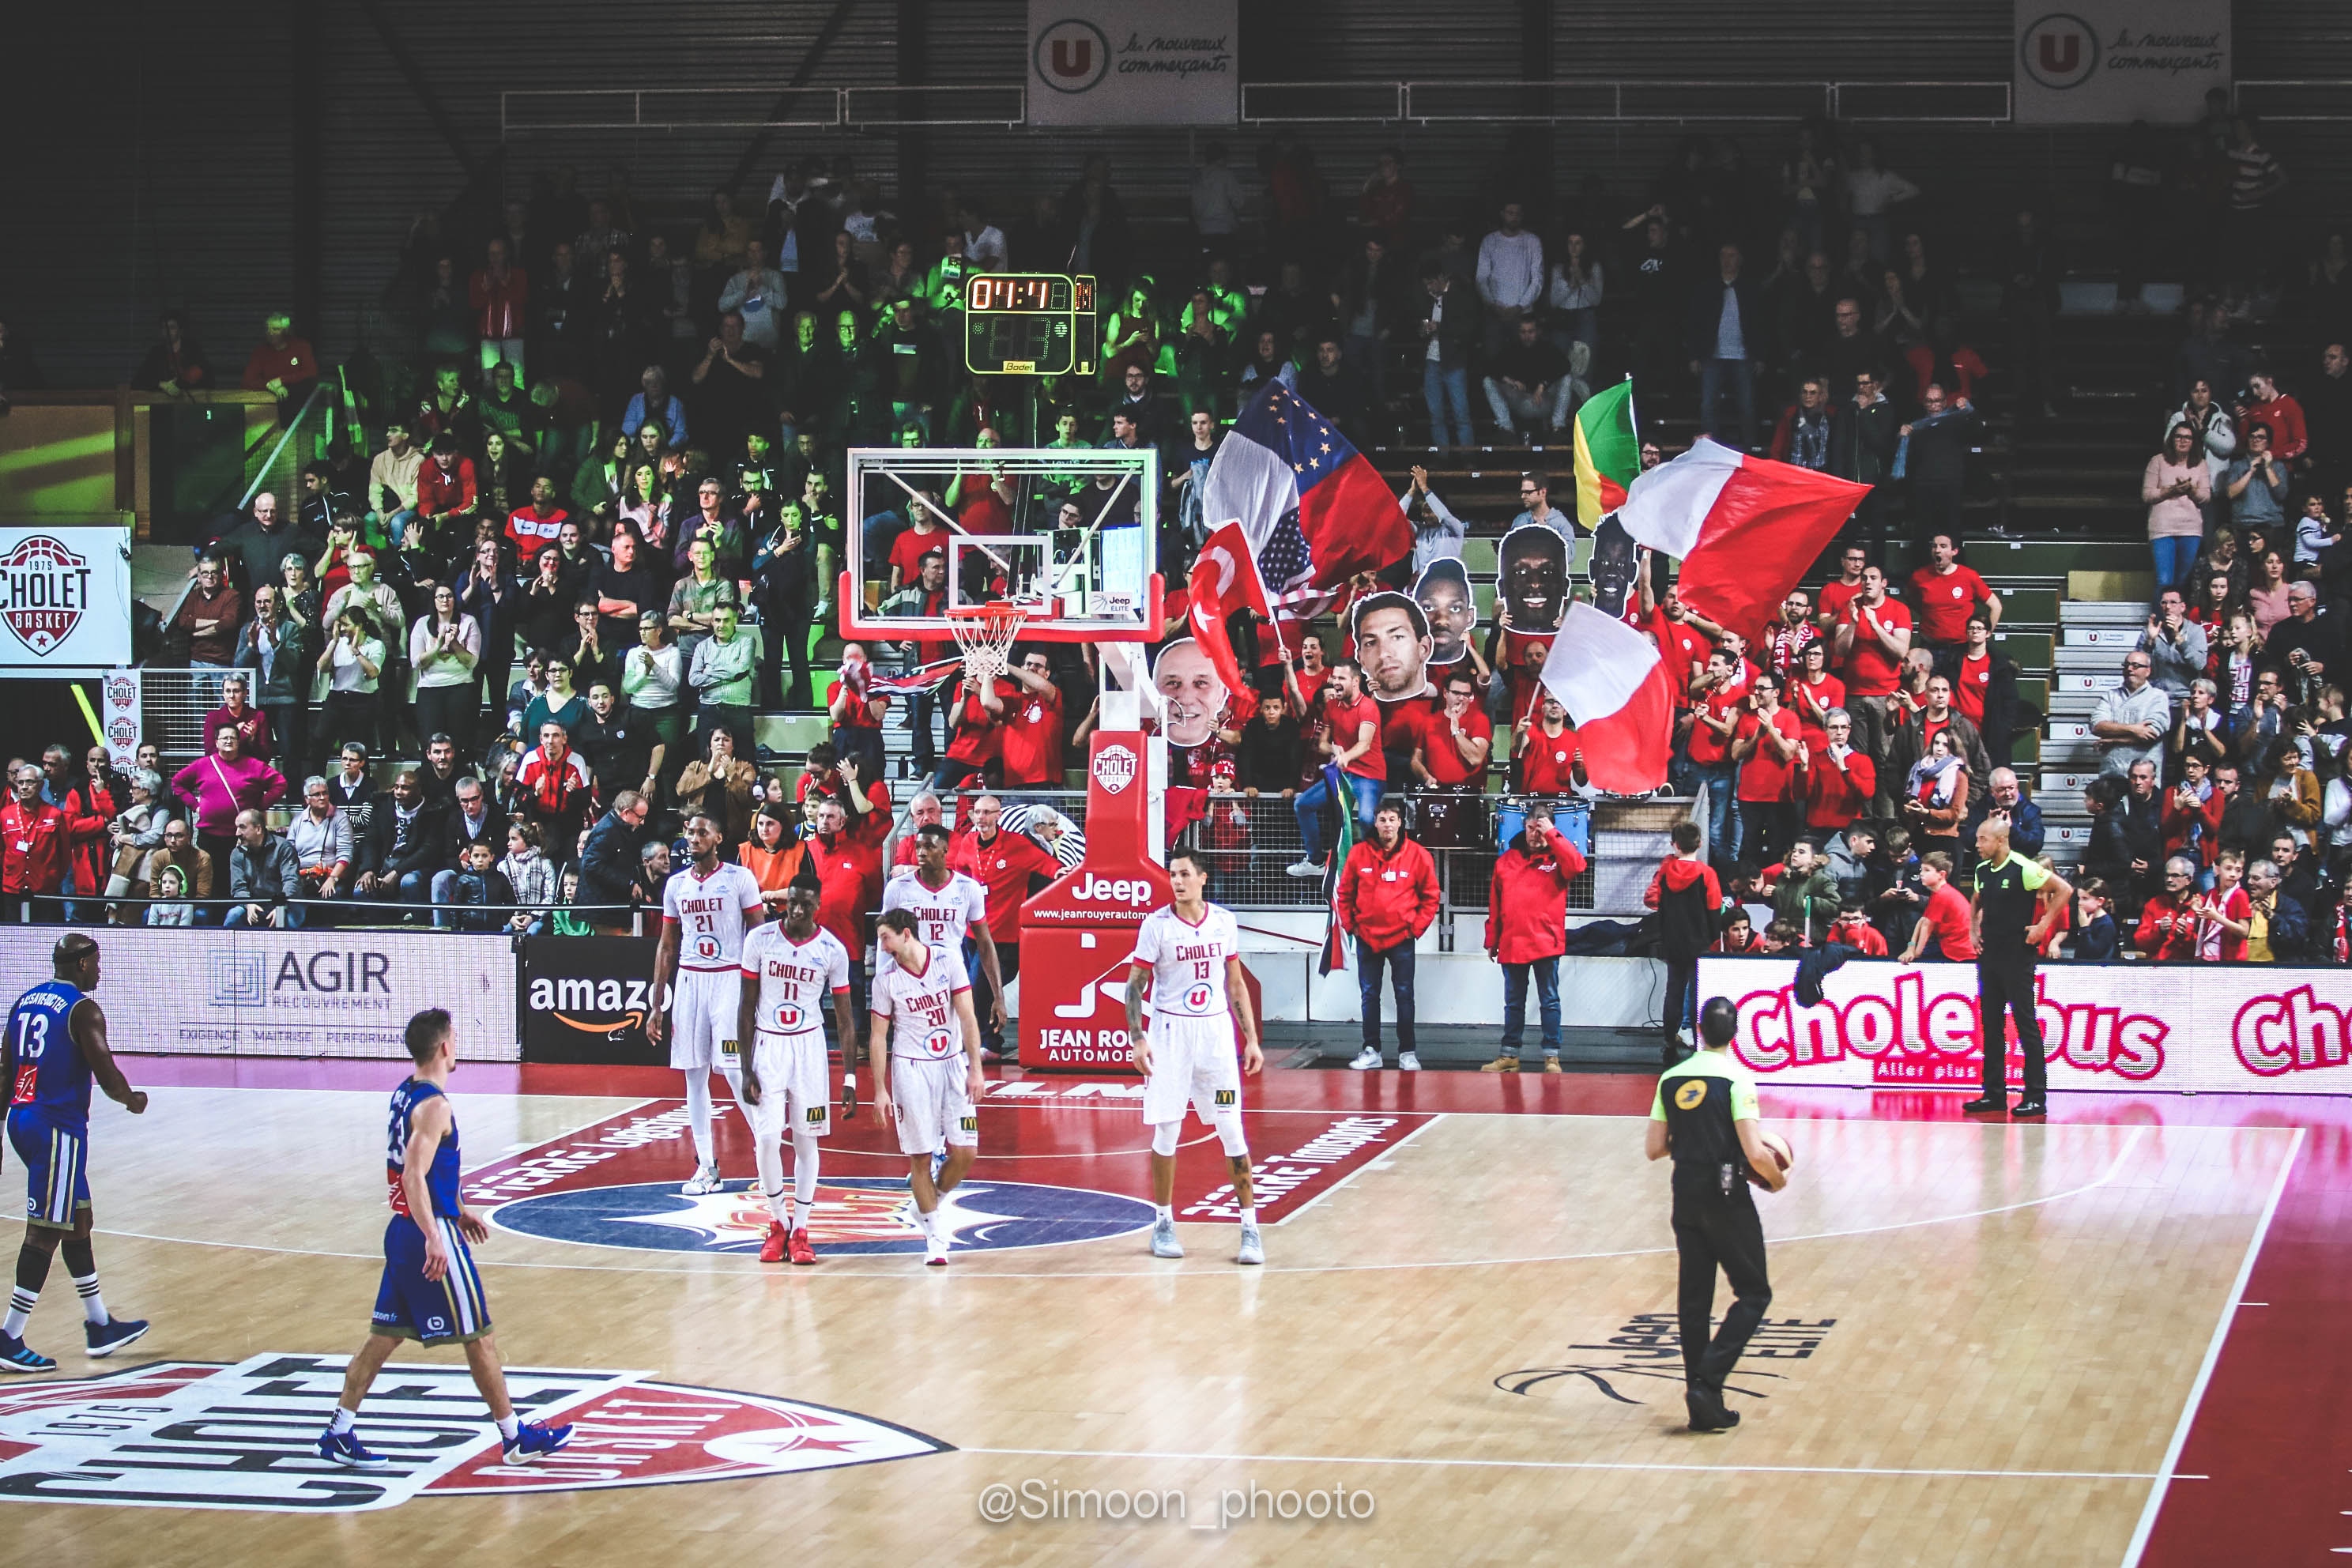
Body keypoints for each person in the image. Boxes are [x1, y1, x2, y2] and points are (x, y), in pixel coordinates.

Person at [313, 1008, 572, 1468]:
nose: (458, 1044)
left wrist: (459, 1208)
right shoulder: (435, 1105)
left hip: (403, 1230)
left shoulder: (405, 1093)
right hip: (426, 1233)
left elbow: (426, 1171)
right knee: (480, 1337)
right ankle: (514, 1437)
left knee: (383, 1337)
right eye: (455, 1037)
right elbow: (413, 1174)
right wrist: (436, 1233)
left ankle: (339, 1430)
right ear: (445, 1047)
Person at [0, 933, 149, 1371]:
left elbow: (6, 1068)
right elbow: (106, 1072)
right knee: (45, 1231)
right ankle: (9, 1335)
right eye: (97, 963)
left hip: (22, 1118)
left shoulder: (25, 1001)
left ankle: (100, 1324)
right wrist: (131, 1100)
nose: (100, 971)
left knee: (77, 1219)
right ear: (82, 964)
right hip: (56, 1128)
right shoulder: (82, 1009)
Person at [1645, 996, 1785, 1434]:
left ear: (1699, 1030)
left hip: (1683, 1188)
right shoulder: (1738, 1080)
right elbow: (1754, 1152)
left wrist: (1690, 1142)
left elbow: (1653, 1149)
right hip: (1725, 1192)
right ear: (1736, 1032)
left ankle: (1701, 1405)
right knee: (1754, 1292)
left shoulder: (1670, 1078)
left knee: (1694, 1301)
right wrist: (1777, 1180)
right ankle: (1708, 1383)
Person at [1126, 846, 1264, 1266]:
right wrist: (1137, 1037)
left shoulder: (1224, 922)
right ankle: (1164, 1222)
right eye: (1172, 874)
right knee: (1167, 1130)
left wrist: (1252, 1040)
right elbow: (1134, 986)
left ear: (1202, 878)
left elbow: (1236, 985)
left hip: (1215, 1036)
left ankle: (1250, 1228)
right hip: (1170, 1035)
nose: (1177, 881)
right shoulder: (1157, 926)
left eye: (1185, 874)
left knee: (1231, 1128)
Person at [645, 812, 767, 1197]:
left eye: (702, 832)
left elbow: (759, 935)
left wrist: (758, 990)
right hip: (690, 981)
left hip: (730, 977)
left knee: (734, 1073)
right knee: (693, 1074)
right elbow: (667, 944)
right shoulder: (676, 884)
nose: (693, 838)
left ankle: (767, 1154)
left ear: (718, 837)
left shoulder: (739, 878)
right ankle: (707, 1166)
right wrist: (657, 1000)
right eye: (690, 832)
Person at [734, 881, 854, 1266]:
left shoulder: (832, 950)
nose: (797, 911)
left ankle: (801, 1229)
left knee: (807, 1142)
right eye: (792, 903)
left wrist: (849, 1078)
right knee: (767, 1139)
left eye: (805, 905)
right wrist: (745, 1066)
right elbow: (745, 1007)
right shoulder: (760, 940)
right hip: (769, 1046)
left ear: (818, 905)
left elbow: (847, 1021)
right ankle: (777, 1221)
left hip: (809, 1049)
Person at [869, 910, 985, 1268]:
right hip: (911, 1068)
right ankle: (935, 1237)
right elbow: (877, 1036)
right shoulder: (885, 979)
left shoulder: (947, 961)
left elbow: (967, 1015)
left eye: (886, 937)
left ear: (906, 934)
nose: (882, 946)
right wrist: (879, 1089)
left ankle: (929, 1201)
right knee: (919, 1156)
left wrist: (975, 1069)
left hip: (951, 1063)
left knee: (967, 1151)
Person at [1958, 820, 2071, 1118]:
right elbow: (1978, 898)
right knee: (1991, 1026)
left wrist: (2043, 926)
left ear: (2001, 839)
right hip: (1990, 954)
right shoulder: (1982, 870)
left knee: (2025, 1025)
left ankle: (2035, 1095)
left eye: (1983, 840)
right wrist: (1972, 928)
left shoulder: (2023, 867)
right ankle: (1994, 1093)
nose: (1978, 846)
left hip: (2018, 956)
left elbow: (2064, 890)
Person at [1335, 801, 1440, 1072]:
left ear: (1401, 823)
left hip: (1402, 939)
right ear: (1375, 823)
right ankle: (1372, 1051)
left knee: (1405, 996)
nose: (1388, 825)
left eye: (1392, 819)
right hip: (1367, 938)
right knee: (1369, 995)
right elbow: (1344, 893)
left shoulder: (1418, 855)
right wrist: (1351, 926)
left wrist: (1414, 929)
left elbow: (1431, 897)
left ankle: (1408, 1052)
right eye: (1382, 820)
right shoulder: (1359, 854)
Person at [1484, 805, 1587, 1072]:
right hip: (1512, 943)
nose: (1534, 834)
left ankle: (1551, 1056)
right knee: (1513, 1003)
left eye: (1540, 829)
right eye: (1531, 828)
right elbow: (1495, 905)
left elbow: (1578, 865)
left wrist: (1553, 835)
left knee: (1549, 1001)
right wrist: (1491, 940)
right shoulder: (1505, 862)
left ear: (1551, 830)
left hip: (1546, 943)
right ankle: (1509, 1055)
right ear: (1524, 827)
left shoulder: (1559, 860)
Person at [1287, 658, 1383, 877]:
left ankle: (1376, 866)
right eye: (1334, 677)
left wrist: (1345, 757)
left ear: (1356, 681)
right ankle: (1315, 861)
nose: (1335, 682)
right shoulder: (1332, 706)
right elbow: (1321, 744)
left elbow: (1365, 744)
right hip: (1343, 775)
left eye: (1341, 678)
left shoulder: (1368, 707)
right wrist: (1334, 749)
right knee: (1303, 804)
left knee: (1368, 819)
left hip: (1369, 776)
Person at [1647, 820, 1724, 1063]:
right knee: (1697, 994)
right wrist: (1712, 939)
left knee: (1674, 992)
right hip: (1699, 943)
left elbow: (1651, 900)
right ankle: (1698, 1042)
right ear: (1700, 844)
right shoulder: (1707, 874)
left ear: (1674, 845)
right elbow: (1714, 909)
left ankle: (1669, 1040)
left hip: (1672, 941)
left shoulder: (1666, 871)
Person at [1897, 850, 1975, 963]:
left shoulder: (1943, 895)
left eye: (1927, 870)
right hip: (1950, 944)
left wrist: (1915, 954)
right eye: (1921, 870)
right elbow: (1923, 921)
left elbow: (1927, 927)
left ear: (1941, 874)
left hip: (1960, 952)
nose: (1921, 874)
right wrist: (1911, 947)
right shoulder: (1938, 892)